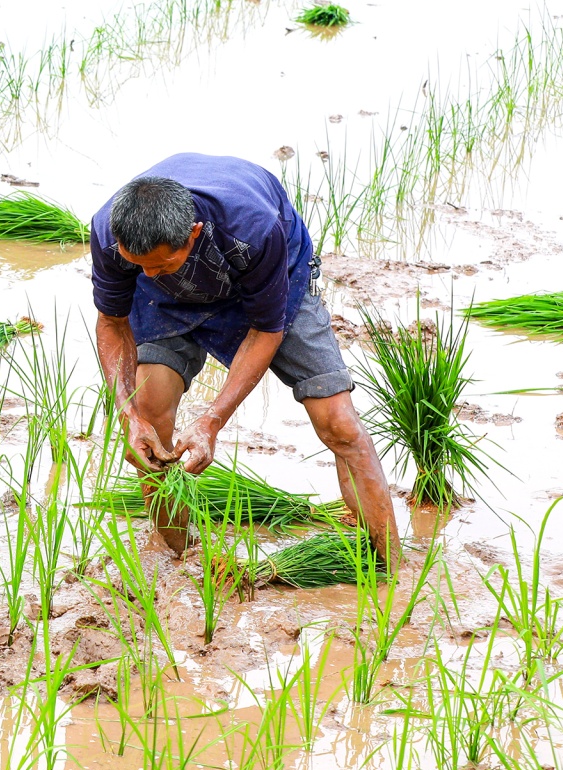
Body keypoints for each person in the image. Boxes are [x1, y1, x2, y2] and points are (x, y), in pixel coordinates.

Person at [90, 153, 399, 563]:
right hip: (166, 304)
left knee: (340, 424)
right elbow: (112, 323)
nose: (146, 274)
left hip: (270, 279)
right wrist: (130, 417)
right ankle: (176, 558)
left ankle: (389, 567)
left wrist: (212, 420)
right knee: (150, 408)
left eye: (162, 262)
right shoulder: (109, 231)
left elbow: (265, 331)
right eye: (137, 265)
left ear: (194, 233)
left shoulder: (253, 229)